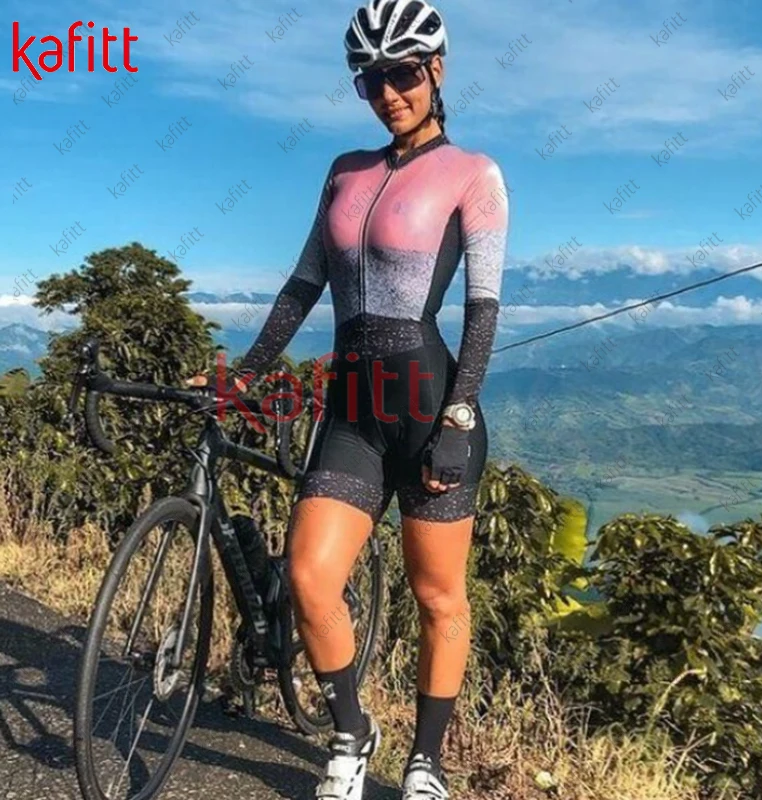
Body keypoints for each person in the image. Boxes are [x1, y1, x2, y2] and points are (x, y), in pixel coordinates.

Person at [193, 1, 508, 797]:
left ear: (436, 70)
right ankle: (351, 732)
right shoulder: (344, 170)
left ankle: (426, 761)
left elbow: (482, 310)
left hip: (431, 407)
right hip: (355, 410)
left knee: (438, 597)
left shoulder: (473, 172)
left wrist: (459, 415)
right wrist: (246, 374)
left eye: (402, 74)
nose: (388, 93)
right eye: (371, 80)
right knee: (309, 576)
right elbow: (303, 285)